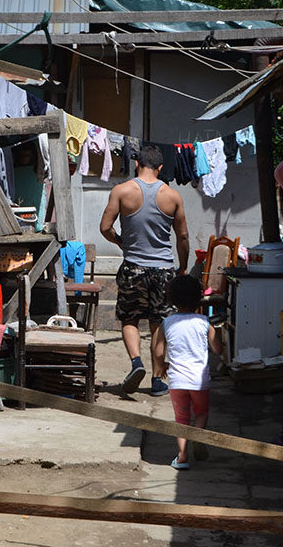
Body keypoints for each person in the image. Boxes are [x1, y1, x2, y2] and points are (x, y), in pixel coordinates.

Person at [100, 145, 189, 396]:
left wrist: (121, 242)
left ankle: (136, 362)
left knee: (129, 318)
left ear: (137, 163)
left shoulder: (121, 191)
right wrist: (183, 267)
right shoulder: (173, 196)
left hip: (133, 267)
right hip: (163, 269)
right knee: (158, 321)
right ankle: (158, 379)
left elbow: (105, 227)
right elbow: (182, 236)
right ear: (160, 167)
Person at [152, 275, 221, 469]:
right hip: (199, 380)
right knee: (201, 413)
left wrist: (162, 365)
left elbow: (158, 352)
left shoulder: (167, 323)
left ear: (172, 298)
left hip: (177, 381)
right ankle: (198, 436)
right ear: (198, 298)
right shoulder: (204, 322)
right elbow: (217, 349)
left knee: (181, 419)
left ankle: (182, 456)